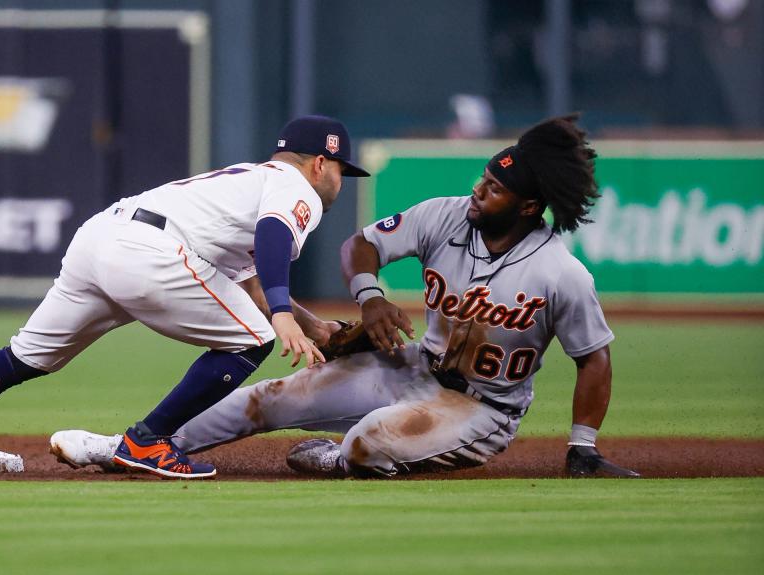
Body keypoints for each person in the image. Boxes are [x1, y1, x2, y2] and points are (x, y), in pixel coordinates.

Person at [49, 114, 639, 479]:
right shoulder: (445, 216)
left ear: (529, 206)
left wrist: (582, 446)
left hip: (481, 407)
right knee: (262, 400)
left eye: (495, 188)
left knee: (366, 442)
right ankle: (131, 444)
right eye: (483, 177)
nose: (479, 191)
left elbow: (594, 358)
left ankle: (339, 459)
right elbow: (361, 246)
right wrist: (371, 295)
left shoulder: (562, 274)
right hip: (413, 368)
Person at [0, 115, 369, 479]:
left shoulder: (248, 181)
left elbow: (248, 284)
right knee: (255, 340)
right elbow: (274, 238)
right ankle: (147, 441)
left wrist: (313, 325)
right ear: (319, 163)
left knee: (20, 358)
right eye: (341, 171)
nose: (340, 182)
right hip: (151, 253)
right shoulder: (295, 188)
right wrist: (281, 314)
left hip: (101, 239)